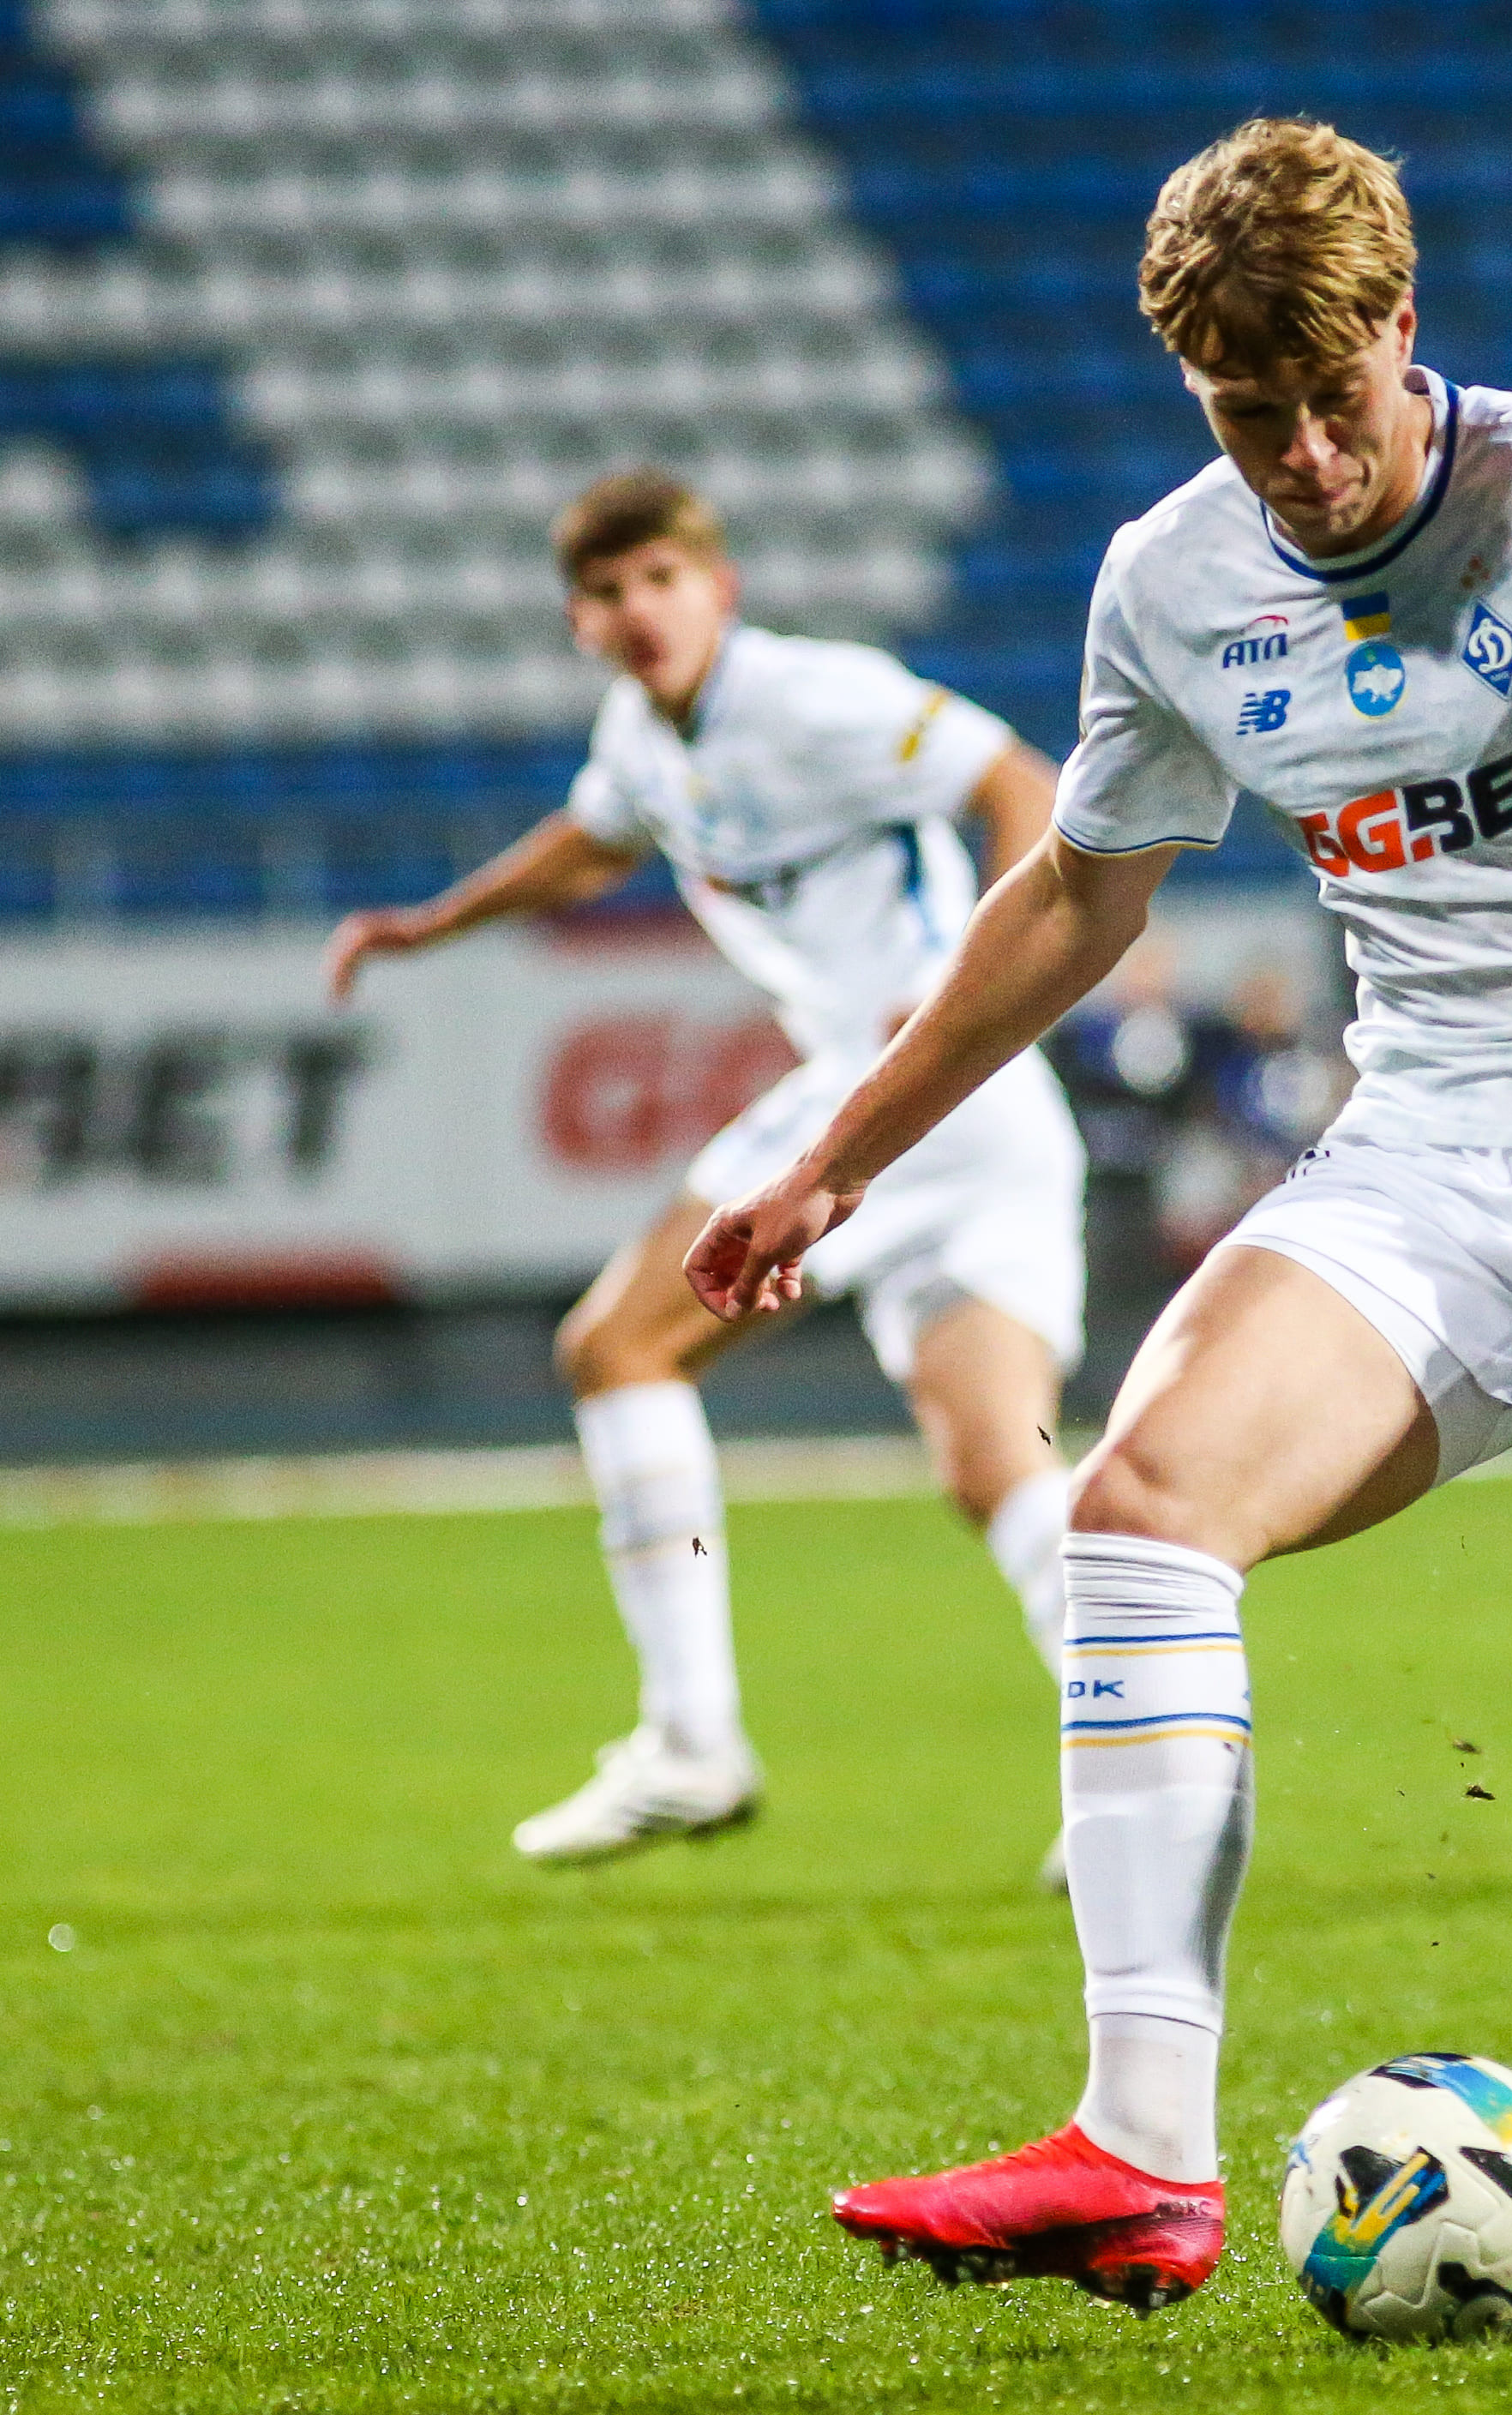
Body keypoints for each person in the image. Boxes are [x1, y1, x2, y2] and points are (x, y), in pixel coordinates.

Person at [684, 119, 1512, 2314]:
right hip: (1433, 1146)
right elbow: (1077, 891)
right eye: (1243, 414)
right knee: (1135, 1507)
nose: (1298, 456)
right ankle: (1138, 2148)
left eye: (1331, 396)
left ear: (1403, 326)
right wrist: (837, 1151)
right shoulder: (1171, 580)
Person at [325, 470, 1083, 1871]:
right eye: (608, 593)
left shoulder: (815, 696)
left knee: (619, 1347)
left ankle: (690, 1738)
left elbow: (1022, 785)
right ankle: (1153, 1754)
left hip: (898, 1086)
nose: (639, 611)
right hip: (986, 1116)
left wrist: (963, 998)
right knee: (1001, 1462)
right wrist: (432, 925)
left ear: (718, 588)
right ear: (579, 621)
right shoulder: (642, 735)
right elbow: (591, 845)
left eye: (661, 580)